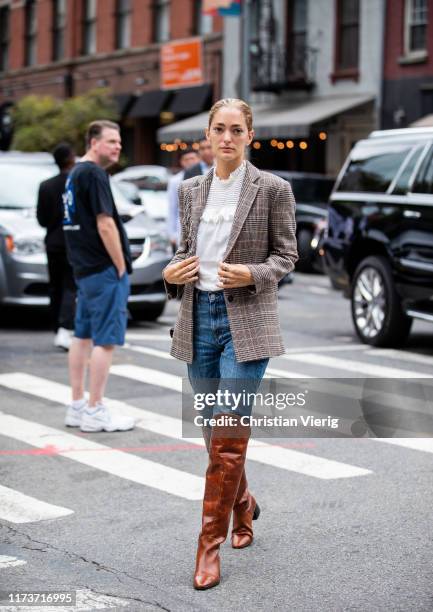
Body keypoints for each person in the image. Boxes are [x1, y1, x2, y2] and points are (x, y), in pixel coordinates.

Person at [163, 98, 298, 590]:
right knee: (214, 439)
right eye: (218, 129)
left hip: (247, 322)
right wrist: (171, 274)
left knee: (226, 437)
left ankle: (208, 548)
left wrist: (252, 273)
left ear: (249, 135)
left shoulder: (273, 189)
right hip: (198, 317)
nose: (226, 137)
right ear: (208, 134)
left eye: (235, 130)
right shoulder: (191, 189)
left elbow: (287, 255)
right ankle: (242, 506)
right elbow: (185, 253)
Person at [63, 120, 135, 433]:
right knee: (105, 341)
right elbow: (105, 223)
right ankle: (94, 409)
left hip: (83, 268)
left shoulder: (74, 174)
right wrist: (120, 265)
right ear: (94, 143)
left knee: (82, 336)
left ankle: (78, 404)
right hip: (103, 269)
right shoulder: (94, 173)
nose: (117, 146)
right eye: (111, 141)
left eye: (119, 142)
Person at [37, 143, 76, 350]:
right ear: (70, 158)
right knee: (71, 285)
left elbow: (41, 219)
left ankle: (57, 326)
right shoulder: (75, 183)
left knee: (55, 286)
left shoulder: (46, 185)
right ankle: (65, 326)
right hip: (72, 241)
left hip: (52, 242)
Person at [166, 147, 199, 250]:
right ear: (181, 162)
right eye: (186, 159)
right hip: (181, 230)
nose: (190, 162)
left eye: (192, 158)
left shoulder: (205, 176)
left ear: (198, 159)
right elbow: (172, 207)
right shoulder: (175, 181)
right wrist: (172, 234)